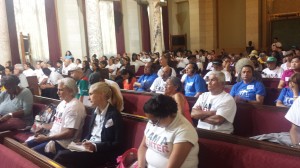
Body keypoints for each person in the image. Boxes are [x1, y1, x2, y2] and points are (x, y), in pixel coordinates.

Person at [54, 82, 123, 168]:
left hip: (102, 152)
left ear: (102, 94)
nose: (89, 98)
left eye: (90, 94)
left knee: (62, 156)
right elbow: (91, 134)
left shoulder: (114, 115)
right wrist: (84, 141)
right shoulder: (94, 112)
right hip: (89, 148)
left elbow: (118, 144)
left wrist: (95, 146)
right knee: (62, 154)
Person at [25, 78, 86, 159]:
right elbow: (56, 123)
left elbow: (69, 133)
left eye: (61, 90)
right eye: (58, 89)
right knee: (24, 146)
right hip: (52, 137)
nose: (57, 93)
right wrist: (42, 127)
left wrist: (46, 138)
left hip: (64, 144)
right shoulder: (62, 103)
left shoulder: (75, 107)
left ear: (71, 91)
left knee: (29, 154)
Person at [137, 94, 199, 168]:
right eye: (150, 120)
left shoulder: (185, 131)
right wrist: (140, 166)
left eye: (155, 121)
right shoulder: (154, 120)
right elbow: (143, 146)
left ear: (170, 115)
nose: (152, 124)